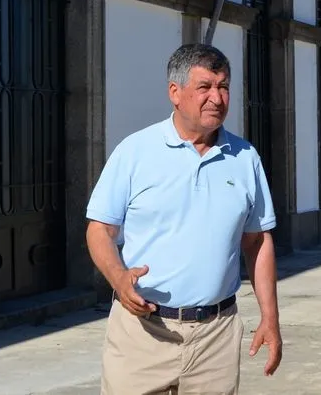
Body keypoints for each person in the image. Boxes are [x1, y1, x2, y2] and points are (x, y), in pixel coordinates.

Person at [85, 43, 282, 394]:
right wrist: (118, 278)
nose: (217, 98)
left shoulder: (245, 157)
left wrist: (271, 317)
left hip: (216, 336)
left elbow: (257, 241)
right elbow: (100, 229)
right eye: (205, 87)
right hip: (141, 332)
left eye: (223, 87)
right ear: (175, 93)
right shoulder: (135, 152)